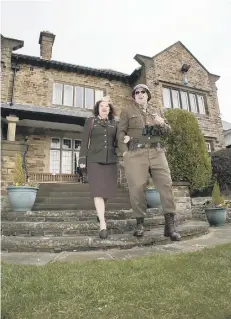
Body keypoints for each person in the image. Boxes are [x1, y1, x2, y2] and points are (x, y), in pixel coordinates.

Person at [117, 84, 181, 241]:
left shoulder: (157, 111)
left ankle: (170, 226)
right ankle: (139, 223)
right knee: (137, 187)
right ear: (134, 96)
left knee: (166, 184)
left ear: (148, 95)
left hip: (157, 152)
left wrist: (161, 123)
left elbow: (167, 132)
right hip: (136, 153)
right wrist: (124, 152)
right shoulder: (127, 111)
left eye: (143, 92)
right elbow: (120, 132)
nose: (140, 94)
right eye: (137, 92)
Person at [78, 96, 118, 239]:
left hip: (111, 160)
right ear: (98, 108)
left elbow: (118, 141)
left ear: (110, 109)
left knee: (106, 192)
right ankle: (102, 223)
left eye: (107, 105)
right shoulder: (91, 121)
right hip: (94, 160)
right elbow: (84, 142)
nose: (104, 107)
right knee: (98, 192)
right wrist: (82, 159)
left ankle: (99, 213)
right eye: (102, 105)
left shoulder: (115, 123)